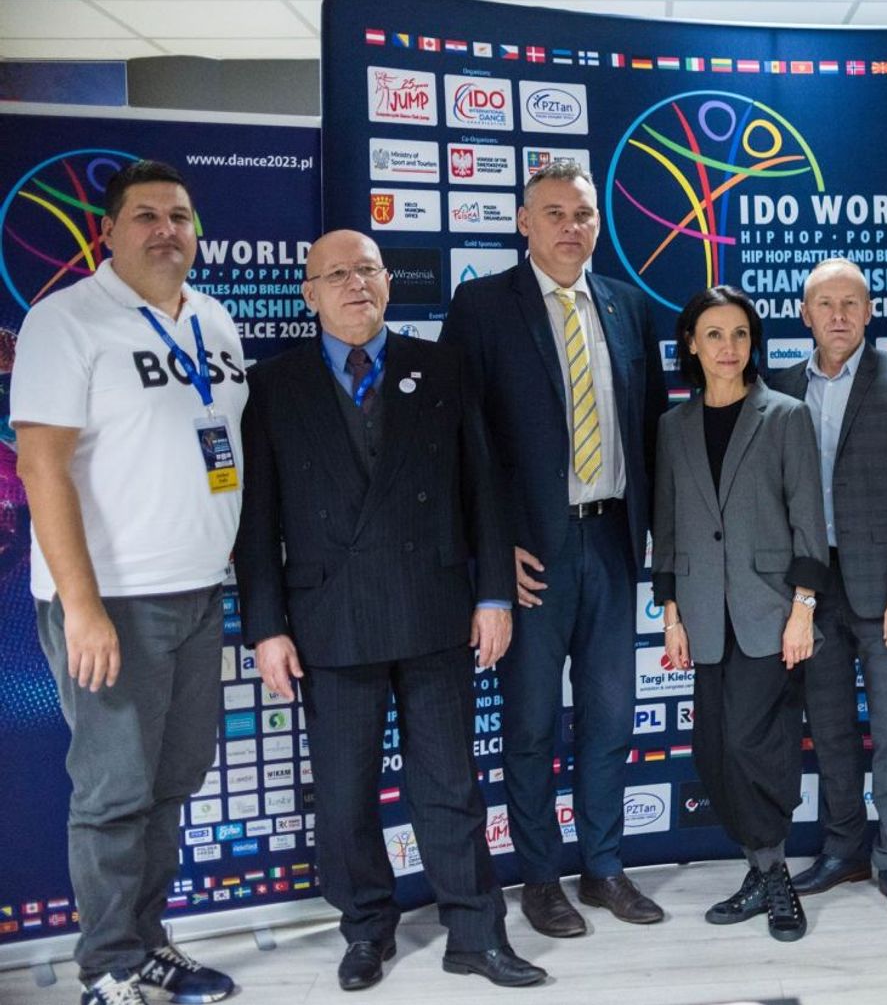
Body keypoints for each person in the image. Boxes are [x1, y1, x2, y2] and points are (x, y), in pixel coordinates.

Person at [234, 230, 545, 990]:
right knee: (344, 795)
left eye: (367, 270)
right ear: (309, 293)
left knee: (450, 787)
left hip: (435, 612)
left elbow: (484, 490)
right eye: (336, 274)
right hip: (330, 620)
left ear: (387, 281)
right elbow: (257, 521)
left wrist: (494, 594)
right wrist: (266, 627)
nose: (355, 284)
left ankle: (475, 932)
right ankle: (366, 928)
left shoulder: (442, 366)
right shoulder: (272, 385)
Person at [13, 160, 243, 1005]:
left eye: (179, 216)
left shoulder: (213, 319)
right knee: (114, 795)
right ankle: (106, 966)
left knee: (172, 785)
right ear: (107, 232)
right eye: (145, 216)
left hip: (199, 593)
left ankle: (147, 943)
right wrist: (82, 608)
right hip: (112, 601)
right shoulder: (65, 320)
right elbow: (40, 467)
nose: (166, 230)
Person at [441, 160, 667, 936]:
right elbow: (461, 442)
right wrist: (493, 550)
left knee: (610, 718)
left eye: (583, 214)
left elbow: (650, 429)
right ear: (524, 222)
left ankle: (603, 866)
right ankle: (540, 878)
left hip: (611, 541)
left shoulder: (628, 306)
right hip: (530, 556)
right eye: (555, 213)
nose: (572, 227)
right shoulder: (482, 306)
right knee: (532, 726)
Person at [652, 286, 830, 941]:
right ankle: (761, 869)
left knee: (755, 745)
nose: (728, 348)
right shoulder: (673, 426)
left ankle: (776, 877)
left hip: (769, 610)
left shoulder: (785, 415)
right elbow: (668, 525)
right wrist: (671, 614)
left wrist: (803, 609)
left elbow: (808, 522)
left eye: (740, 334)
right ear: (692, 345)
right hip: (703, 615)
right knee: (713, 749)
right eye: (714, 334)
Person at [767, 259, 887, 920]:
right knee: (831, 728)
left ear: (869, 312)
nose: (838, 315)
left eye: (851, 303)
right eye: (825, 303)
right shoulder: (782, 386)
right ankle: (845, 849)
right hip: (811, 590)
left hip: (886, 588)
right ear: (804, 314)